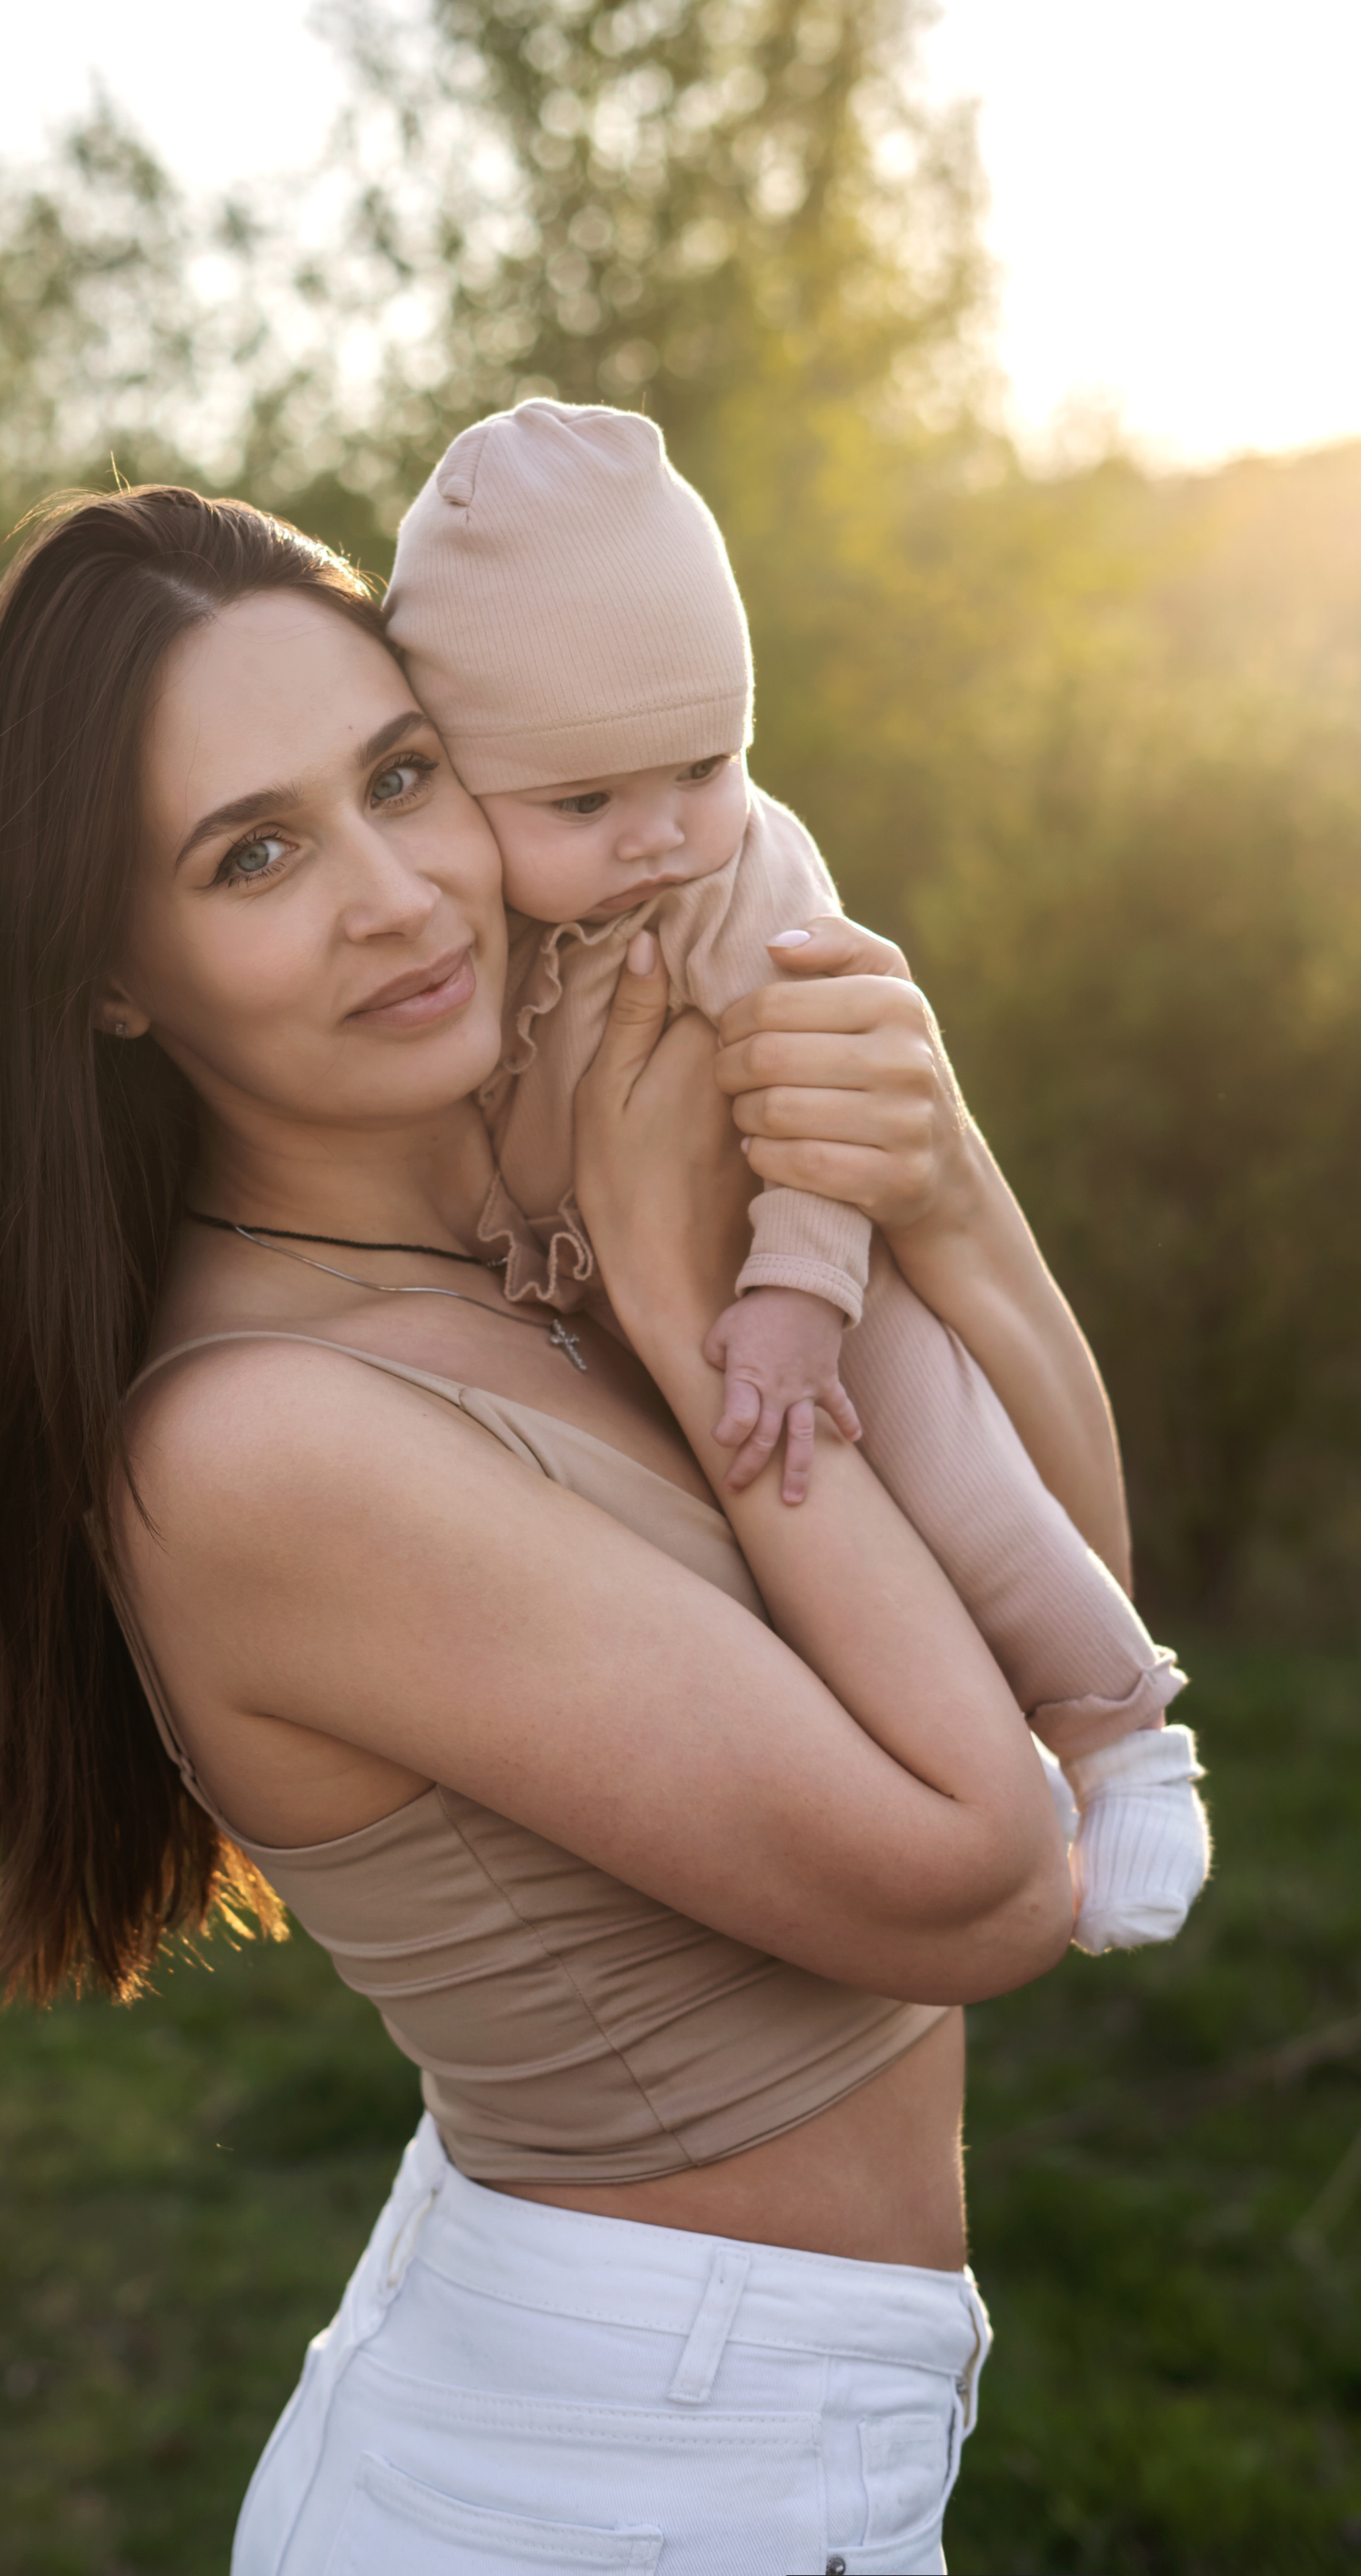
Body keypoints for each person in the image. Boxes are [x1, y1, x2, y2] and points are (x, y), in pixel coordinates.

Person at [0, 484, 1087, 2575]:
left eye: (403, 777)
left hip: (736, 2435)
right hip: (611, 2484)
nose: (396, 896)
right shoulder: (262, 1447)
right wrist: (683, 1305)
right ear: (105, 973)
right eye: (253, 854)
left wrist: (946, 1184)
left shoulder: (550, 1183)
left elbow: (1072, 1622)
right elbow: (990, 1879)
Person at [386, 396, 1209, 1957]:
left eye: (701, 764)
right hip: (635, 1302)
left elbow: (822, 1116)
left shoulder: (744, 867)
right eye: (584, 802)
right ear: (468, 784)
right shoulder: (468, 927)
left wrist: (793, 1293)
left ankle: (1119, 1732)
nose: (655, 836)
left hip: (813, 1269)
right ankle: (973, 1756)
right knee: (802, 1570)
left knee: (957, 1478)